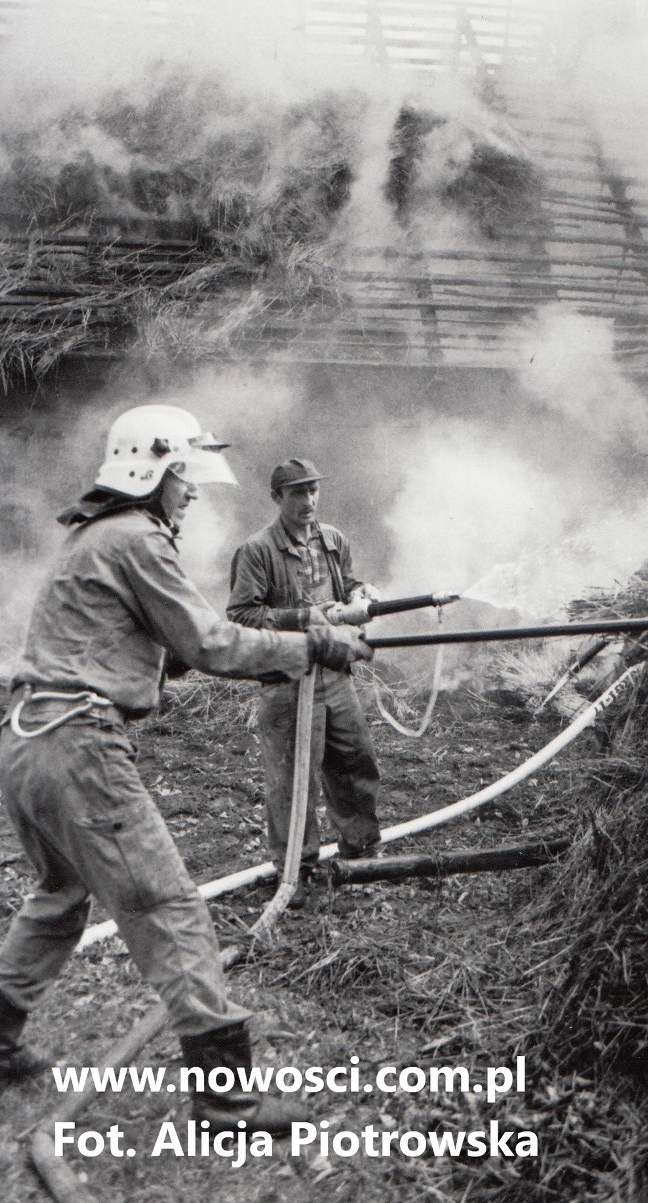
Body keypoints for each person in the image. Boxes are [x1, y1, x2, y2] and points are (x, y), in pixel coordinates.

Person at [0, 406, 370, 1136]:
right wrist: (314, 649)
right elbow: (208, 643)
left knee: (60, 896)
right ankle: (227, 1100)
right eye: (185, 475)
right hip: (79, 745)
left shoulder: (97, 536)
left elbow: (166, 643)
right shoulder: (137, 538)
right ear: (152, 471)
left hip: (25, 741)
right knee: (170, 908)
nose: (194, 490)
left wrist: (302, 627)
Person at [227, 458, 382, 906]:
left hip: (334, 673)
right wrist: (305, 617)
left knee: (355, 762)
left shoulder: (332, 540)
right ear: (277, 498)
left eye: (313, 491)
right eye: (297, 493)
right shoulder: (257, 551)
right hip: (288, 679)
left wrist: (360, 593)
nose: (308, 501)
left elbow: (349, 584)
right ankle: (296, 873)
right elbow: (241, 616)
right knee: (294, 780)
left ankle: (361, 850)